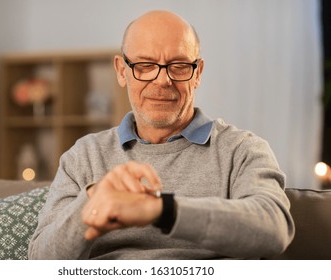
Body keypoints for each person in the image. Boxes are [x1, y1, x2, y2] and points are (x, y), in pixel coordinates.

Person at [28, 10, 295, 259]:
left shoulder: (242, 150)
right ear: (122, 71)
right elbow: (39, 258)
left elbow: (274, 228)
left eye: (178, 65)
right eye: (145, 65)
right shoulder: (83, 156)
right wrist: (94, 201)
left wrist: (162, 210)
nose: (162, 80)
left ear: (198, 73)